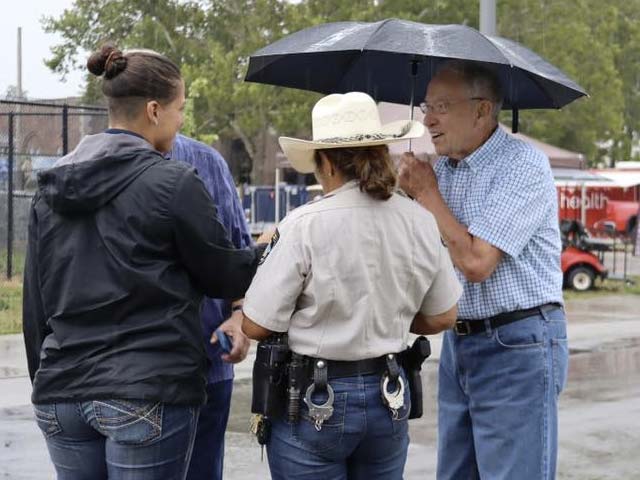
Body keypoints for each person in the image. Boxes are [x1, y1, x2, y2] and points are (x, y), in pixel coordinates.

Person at [22, 44, 266, 480]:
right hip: (147, 391)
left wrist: (45, 381)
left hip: (62, 392)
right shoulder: (174, 181)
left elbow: (35, 305)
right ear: (154, 111)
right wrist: (269, 246)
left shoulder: (53, 185)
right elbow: (223, 275)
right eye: (180, 108)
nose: (181, 120)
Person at [241, 91, 463, 479]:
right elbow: (444, 315)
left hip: (314, 398)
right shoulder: (419, 220)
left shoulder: (303, 225)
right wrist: (388, 316)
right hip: (389, 393)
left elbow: (256, 325)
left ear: (326, 163)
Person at [398, 60, 569, 480]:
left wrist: (427, 194)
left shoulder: (522, 166)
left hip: (517, 343)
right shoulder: (443, 170)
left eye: (441, 107)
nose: (428, 120)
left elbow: (476, 263)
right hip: (460, 343)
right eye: (426, 107)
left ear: (482, 110)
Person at [168, 134, 252, 480]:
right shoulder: (204, 161)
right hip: (174, 368)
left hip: (207, 361)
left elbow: (237, 246)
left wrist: (240, 314)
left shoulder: (207, 162)